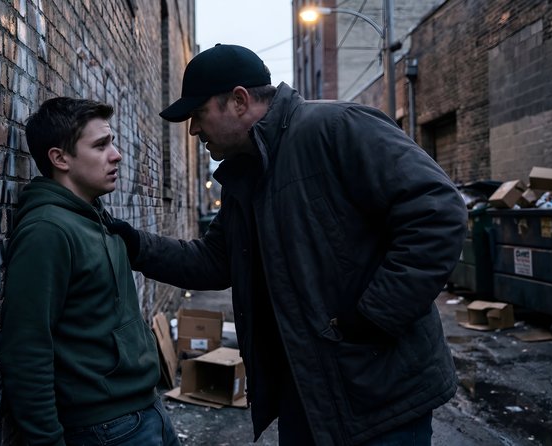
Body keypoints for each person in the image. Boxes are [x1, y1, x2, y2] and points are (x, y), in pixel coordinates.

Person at [109, 44, 467, 445]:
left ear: (239, 100)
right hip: (307, 393)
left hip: (379, 393)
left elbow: (437, 212)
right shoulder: (246, 175)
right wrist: (135, 244)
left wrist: (374, 316)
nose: (193, 130)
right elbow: (215, 261)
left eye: (198, 114)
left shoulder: (336, 126)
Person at [0, 97, 179, 446]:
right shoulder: (47, 231)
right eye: (101, 145)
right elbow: (27, 349)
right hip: (106, 430)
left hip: (146, 411)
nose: (116, 155)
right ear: (60, 158)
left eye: (110, 142)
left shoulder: (96, 218)